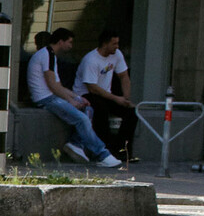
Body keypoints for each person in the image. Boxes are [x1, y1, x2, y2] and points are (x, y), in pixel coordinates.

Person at [26, 27, 119, 166]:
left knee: (88, 109)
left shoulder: (50, 55)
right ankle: (102, 154)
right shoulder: (47, 55)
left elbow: (58, 85)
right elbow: (52, 85)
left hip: (51, 96)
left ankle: (75, 144)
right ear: (60, 41)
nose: (71, 46)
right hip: (45, 98)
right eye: (69, 42)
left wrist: (77, 97)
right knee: (81, 118)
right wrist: (71, 101)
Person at [75, 25, 134, 159]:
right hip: (85, 95)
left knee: (131, 113)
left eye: (118, 43)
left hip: (106, 94)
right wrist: (116, 99)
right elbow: (92, 88)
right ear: (105, 44)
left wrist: (125, 98)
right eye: (114, 44)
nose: (117, 46)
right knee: (101, 110)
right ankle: (105, 150)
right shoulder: (91, 60)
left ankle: (122, 149)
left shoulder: (116, 55)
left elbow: (124, 76)